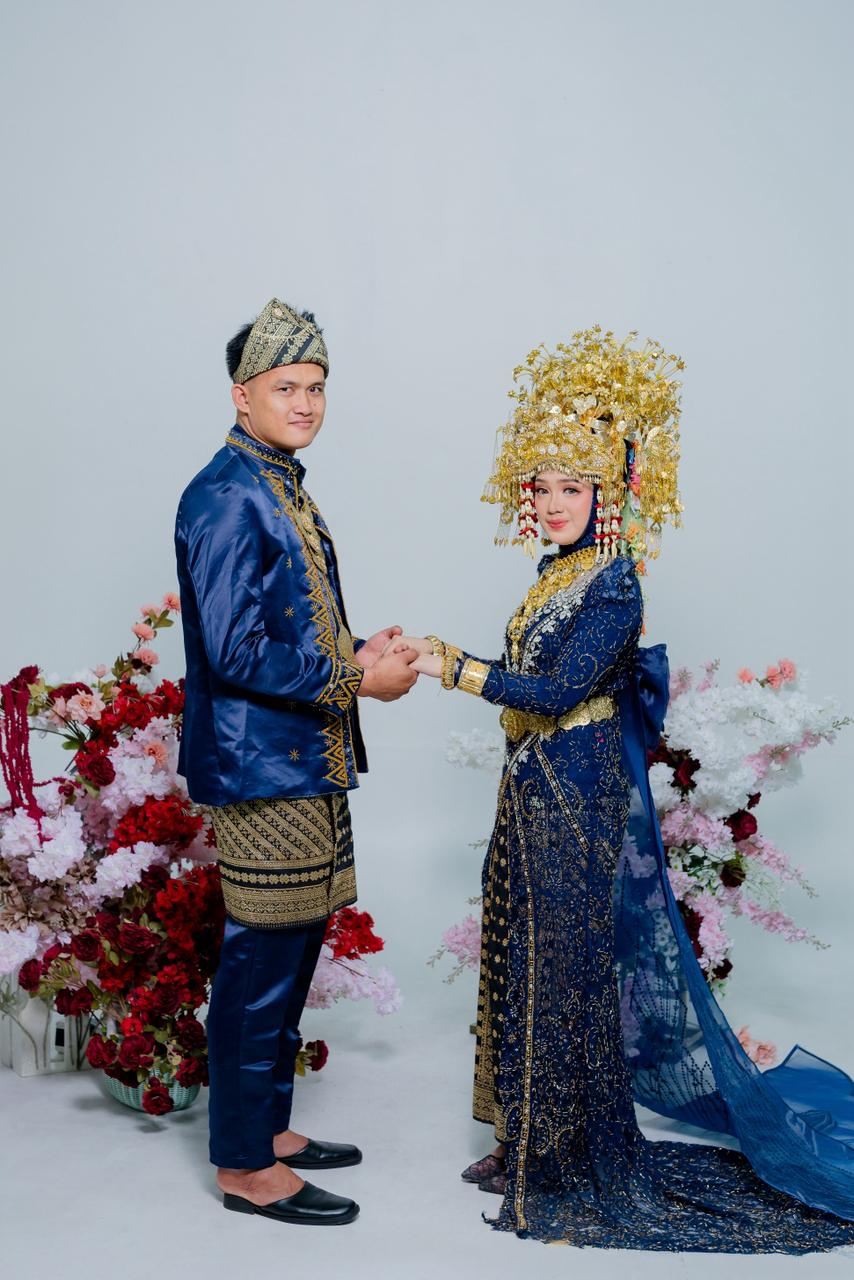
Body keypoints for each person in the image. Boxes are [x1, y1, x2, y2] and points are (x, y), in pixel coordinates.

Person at [401, 328, 854, 1251]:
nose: (553, 503)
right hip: (534, 785)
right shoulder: (553, 575)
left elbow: (557, 692)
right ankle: (526, 1136)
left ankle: (564, 1154)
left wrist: (452, 665)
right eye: (543, 487)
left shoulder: (613, 584)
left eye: (572, 488)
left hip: (578, 790)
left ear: (606, 495)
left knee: (566, 967)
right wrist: (464, 668)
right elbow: (536, 688)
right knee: (524, 953)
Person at [174, 299, 418, 1227]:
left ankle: (266, 1128)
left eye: (316, 387)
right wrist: (356, 682)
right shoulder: (227, 494)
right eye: (287, 387)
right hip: (260, 769)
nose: (306, 402)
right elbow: (236, 653)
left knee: (295, 947)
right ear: (243, 396)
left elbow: (285, 627)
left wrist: (355, 651)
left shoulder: (274, 480)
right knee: (260, 964)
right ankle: (244, 1166)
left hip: (299, 758)